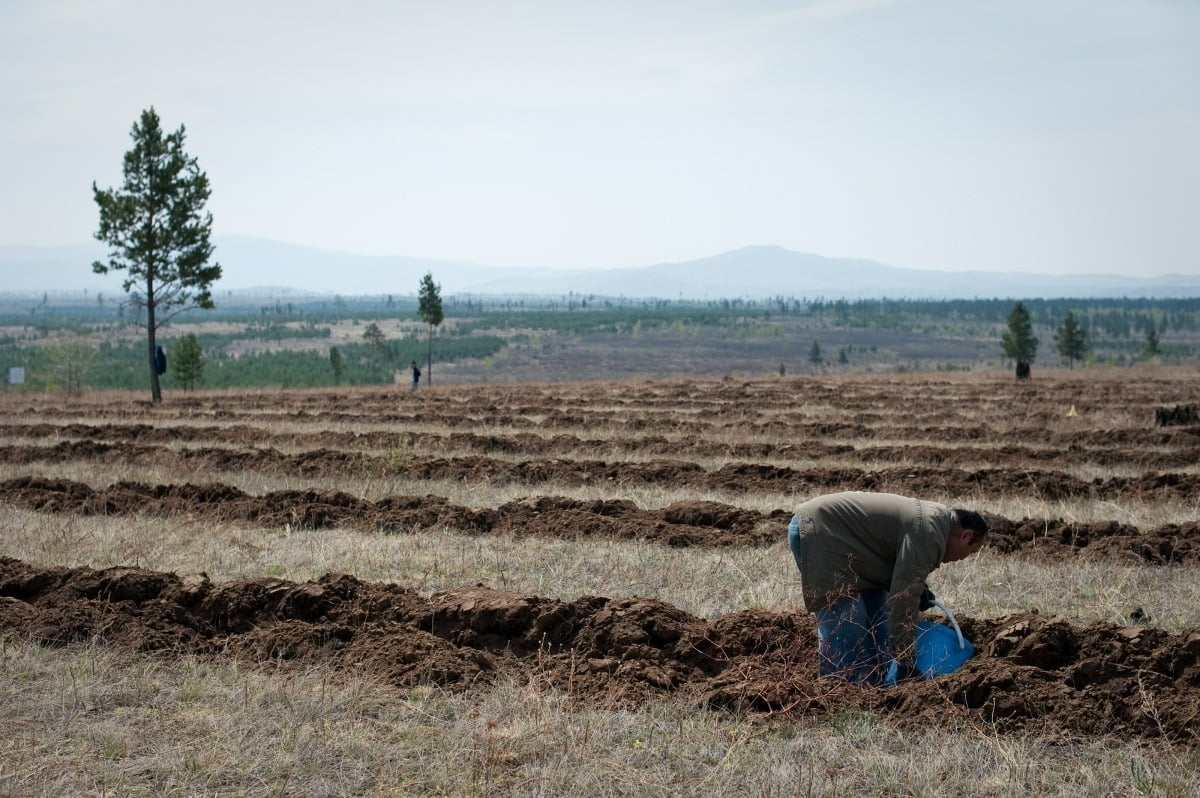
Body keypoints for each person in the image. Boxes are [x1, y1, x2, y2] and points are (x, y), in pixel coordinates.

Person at [787, 491, 988, 686]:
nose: (964, 558)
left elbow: (900, 568)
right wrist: (905, 660)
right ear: (965, 535)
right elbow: (903, 600)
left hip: (850, 546)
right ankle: (837, 695)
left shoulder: (935, 523)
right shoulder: (931, 532)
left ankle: (873, 688)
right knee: (847, 622)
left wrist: (919, 589)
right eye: (971, 551)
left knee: (878, 622)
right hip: (821, 532)